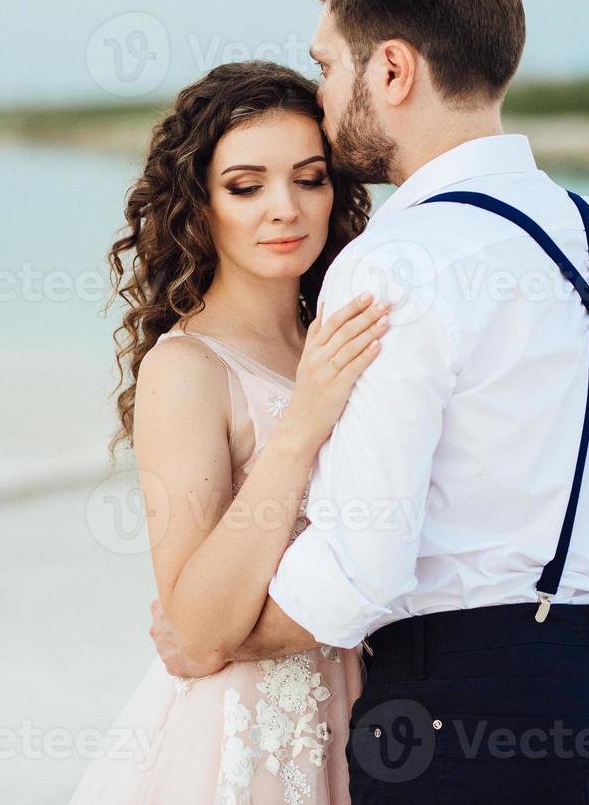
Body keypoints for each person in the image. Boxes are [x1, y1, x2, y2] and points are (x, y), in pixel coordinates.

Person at [148, 0, 589, 803]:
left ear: (390, 70)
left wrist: (222, 638)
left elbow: (365, 566)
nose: (322, 96)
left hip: (467, 702)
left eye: (327, 66)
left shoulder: (397, 261)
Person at [70, 59, 386, 804]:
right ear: (198, 204)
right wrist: (301, 425)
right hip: (245, 735)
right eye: (247, 186)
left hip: (368, 712)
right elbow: (200, 624)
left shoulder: (340, 334)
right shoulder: (186, 368)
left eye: (310, 178)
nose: (286, 208)